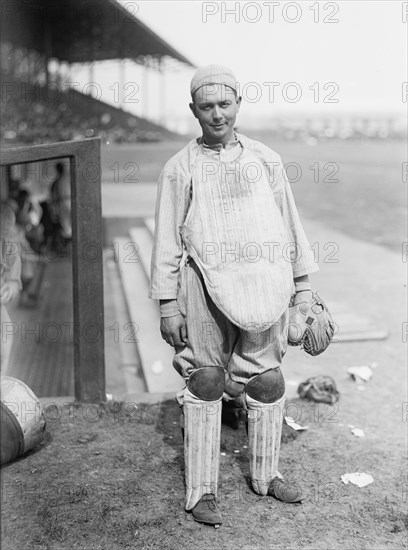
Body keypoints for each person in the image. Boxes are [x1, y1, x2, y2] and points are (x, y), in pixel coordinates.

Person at [149, 65, 319, 527]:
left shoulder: (265, 159)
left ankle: (267, 475)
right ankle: (202, 491)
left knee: (267, 382)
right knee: (205, 380)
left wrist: (303, 288)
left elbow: (290, 225)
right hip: (202, 286)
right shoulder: (179, 168)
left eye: (225, 104)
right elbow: (166, 239)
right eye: (207, 106)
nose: (217, 114)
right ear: (193, 111)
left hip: (263, 283)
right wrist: (168, 304)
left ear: (239, 104)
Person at [1, 203, 22, 374]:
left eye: (8, 229)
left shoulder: (8, 245)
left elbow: (14, 274)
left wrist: (11, 284)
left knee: (5, 335)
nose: (6, 233)